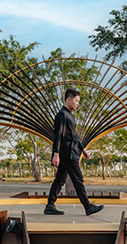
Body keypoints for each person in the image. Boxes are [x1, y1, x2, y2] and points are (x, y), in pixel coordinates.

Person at [44, 88, 104, 216]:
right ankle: (88, 206)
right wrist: (56, 154)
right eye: (76, 101)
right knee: (78, 179)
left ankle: (50, 205)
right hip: (67, 152)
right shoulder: (62, 115)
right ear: (68, 99)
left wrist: (83, 149)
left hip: (72, 151)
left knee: (60, 180)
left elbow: (75, 136)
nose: (78, 104)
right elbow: (58, 135)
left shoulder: (70, 115)